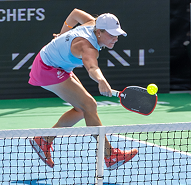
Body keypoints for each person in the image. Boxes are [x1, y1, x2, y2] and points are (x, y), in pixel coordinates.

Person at [27, 9, 138, 170]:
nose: (115, 38)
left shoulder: (93, 23)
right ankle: (110, 155)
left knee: (82, 109)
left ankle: (44, 140)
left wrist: (61, 34)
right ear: (99, 32)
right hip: (47, 69)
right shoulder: (87, 47)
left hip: (56, 63)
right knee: (89, 105)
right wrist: (101, 80)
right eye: (111, 35)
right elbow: (92, 68)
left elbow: (75, 13)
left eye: (117, 34)